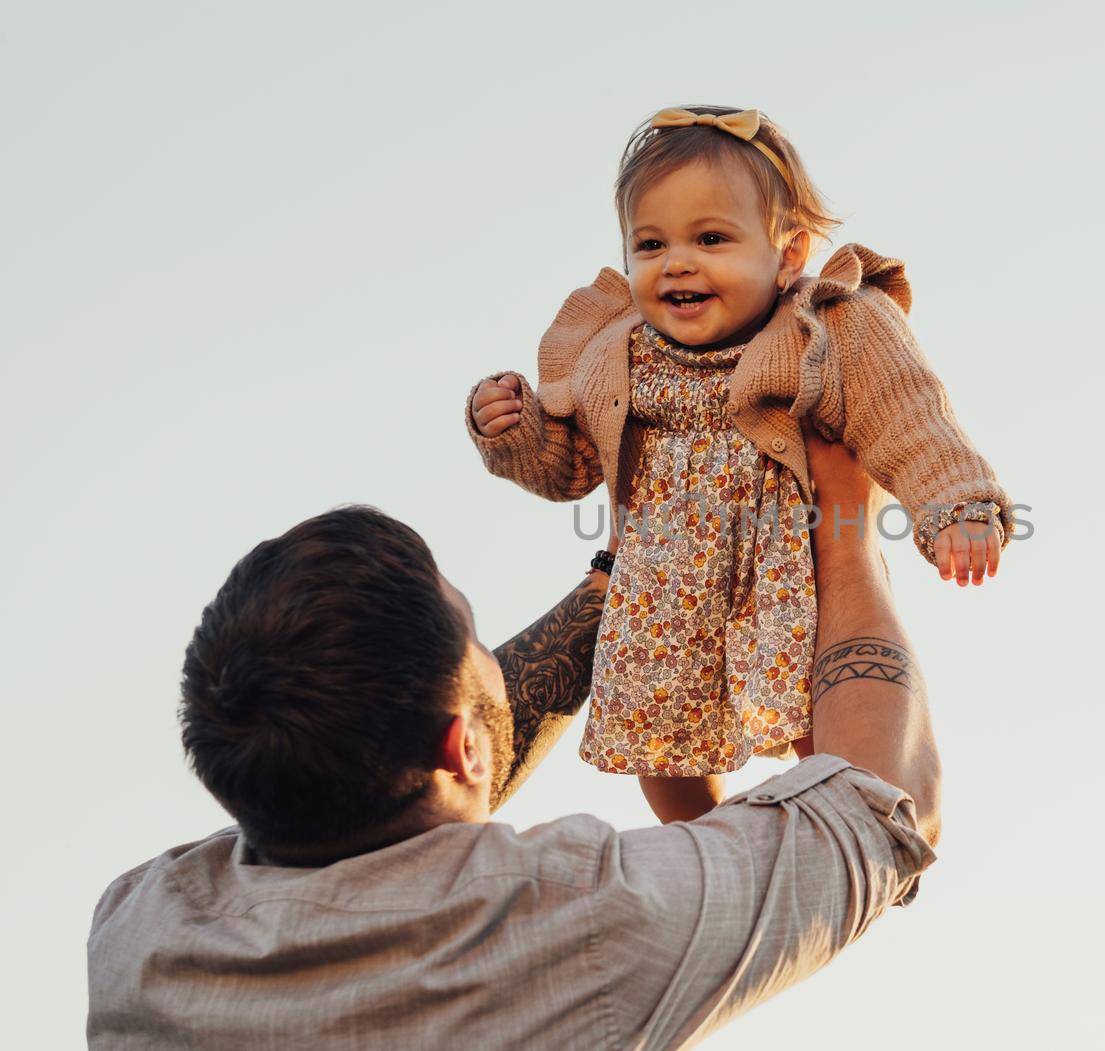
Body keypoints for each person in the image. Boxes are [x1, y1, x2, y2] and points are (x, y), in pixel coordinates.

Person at [87, 429, 941, 1049]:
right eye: (475, 635)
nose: (496, 655)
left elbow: (401, 761)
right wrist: (847, 519)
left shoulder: (140, 934)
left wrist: (622, 579)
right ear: (460, 751)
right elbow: (880, 810)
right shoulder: (578, 922)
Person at [467, 103, 1011, 823]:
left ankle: (842, 832)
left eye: (712, 238)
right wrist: (514, 429)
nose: (677, 263)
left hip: (785, 576)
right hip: (660, 597)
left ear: (787, 252)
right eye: (650, 244)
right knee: (656, 747)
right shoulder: (612, 347)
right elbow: (568, 466)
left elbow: (909, 417)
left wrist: (957, 507)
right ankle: (697, 839)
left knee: (824, 730)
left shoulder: (828, 325)